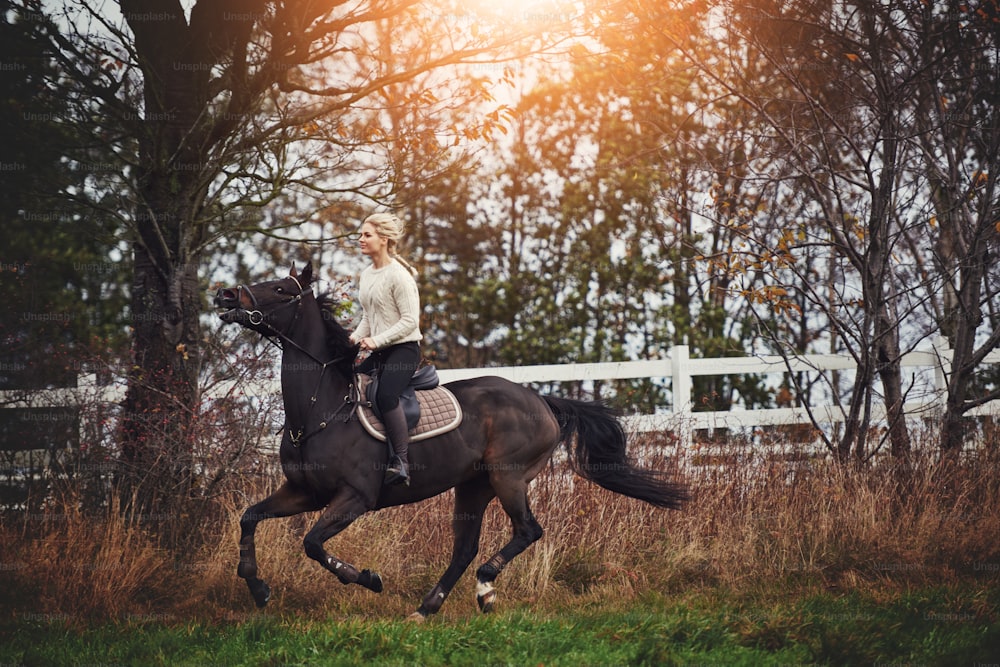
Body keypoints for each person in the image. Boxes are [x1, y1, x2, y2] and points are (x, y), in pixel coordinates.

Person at [350, 212, 422, 486]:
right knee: (350, 380)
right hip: (379, 351)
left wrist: (376, 341)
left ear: (384, 239)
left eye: (366, 235)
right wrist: (354, 338)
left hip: (403, 350)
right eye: (361, 234)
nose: (361, 239)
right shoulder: (367, 274)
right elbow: (369, 316)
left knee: (386, 395)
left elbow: (409, 322)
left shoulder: (399, 276)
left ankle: (401, 461)